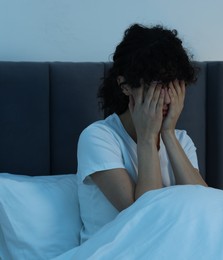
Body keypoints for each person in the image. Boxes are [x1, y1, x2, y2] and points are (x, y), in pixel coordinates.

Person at [76, 23, 207, 242]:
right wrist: (147, 138)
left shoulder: (181, 141)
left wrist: (168, 134)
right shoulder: (98, 137)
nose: (165, 98)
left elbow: (205, 207)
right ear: (125, 85)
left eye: (172, 85)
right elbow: (144, 220)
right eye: (156, 86)